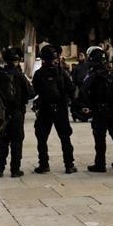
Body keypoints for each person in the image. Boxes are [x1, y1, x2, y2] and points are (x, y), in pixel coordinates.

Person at [32, 44, 77, 174]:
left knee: (41, 138)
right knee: (65, 138)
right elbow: (72, 89)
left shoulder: (39, 74)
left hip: (45, 109)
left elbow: (35, 90)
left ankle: (44, 164)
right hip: (60, 109)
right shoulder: (62, 72)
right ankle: (69, 165)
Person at [82, 46, 113, 172]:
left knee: (100, 138)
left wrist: (89, 106)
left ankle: (100, 163)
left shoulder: (93, 75)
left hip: (99, 111)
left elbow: (84, 91)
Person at [0, 47, 35, 178]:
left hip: (3, 113)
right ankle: (15, 169)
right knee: (17, 141)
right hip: (17, 112)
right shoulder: (19, 75)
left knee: (3, 140)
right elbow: (30, 93)